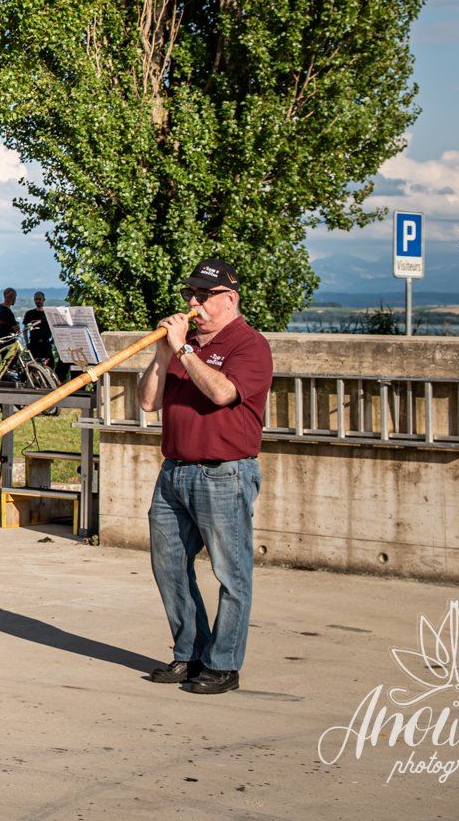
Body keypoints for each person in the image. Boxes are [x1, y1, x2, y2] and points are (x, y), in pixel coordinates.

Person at [135, 256, 274, 695]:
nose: (192, 303)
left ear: (229, 299)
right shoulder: (184, 345)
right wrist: (162, 354)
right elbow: (147, 403)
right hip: (174, 470)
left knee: (231, 575)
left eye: (203, 295)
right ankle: (190, 652)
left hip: (224, 473)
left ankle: (224, 664)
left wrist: (183, 350)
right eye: (189, 295)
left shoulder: (248, 345)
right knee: (169, 566)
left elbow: (221, 393)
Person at [22, 290, 54, 363]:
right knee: (34, 368)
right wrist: (27, 344)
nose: (37, 301)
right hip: (34, 345)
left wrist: (53, 340)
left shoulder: (48, 313)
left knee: (50, 366)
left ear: (44, 300)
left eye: (39, 299)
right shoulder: (29, 313)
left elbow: (54, 328)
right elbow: (25, 330)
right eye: (36, 299)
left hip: (46, 344)